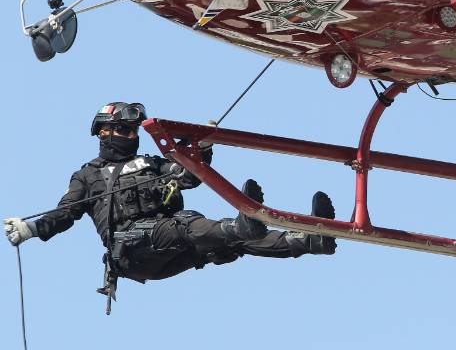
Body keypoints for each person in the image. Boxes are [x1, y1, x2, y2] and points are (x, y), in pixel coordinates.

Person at [3, 102, 336, 287]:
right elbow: (65, 213)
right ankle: (241, 225)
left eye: (133, 131)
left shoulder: (151, 164)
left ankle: (307, 241)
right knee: (187, 224)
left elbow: (188, 178)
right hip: (133, 253)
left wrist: (200, 150)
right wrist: (30, 229)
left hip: (170, 251)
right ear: (103, 133)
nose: (130, 136)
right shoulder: (88, 176)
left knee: (225, 239)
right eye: (122, 130)